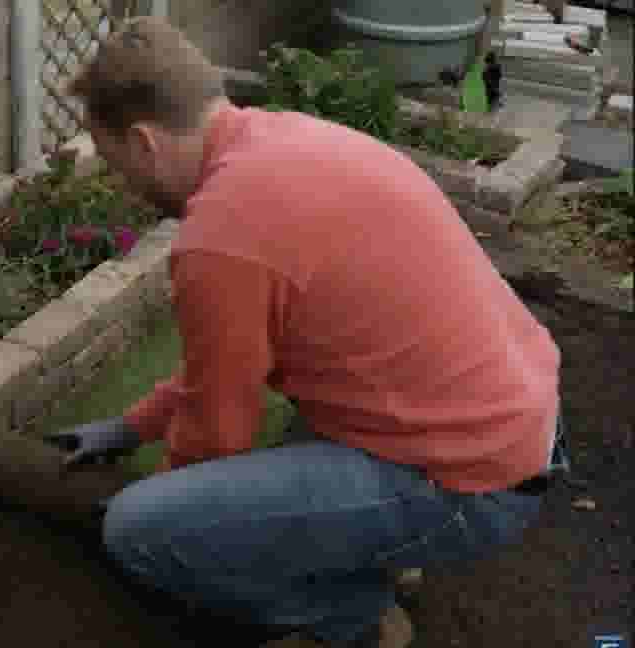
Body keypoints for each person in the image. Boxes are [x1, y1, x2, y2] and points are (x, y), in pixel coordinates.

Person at [42, 16, 563, 648]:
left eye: (117, 161)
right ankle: (389, 542)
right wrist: (130, 428)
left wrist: (171, 506)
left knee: (138, 531)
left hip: (474, 483)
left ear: (146, 143)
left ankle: (351, 615)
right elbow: (230, 366)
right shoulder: (285, 138)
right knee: (289, 443)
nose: (124, 184)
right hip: (515, 426)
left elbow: (216, 431)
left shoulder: (222, 237)